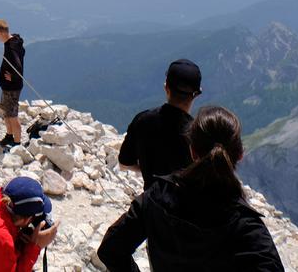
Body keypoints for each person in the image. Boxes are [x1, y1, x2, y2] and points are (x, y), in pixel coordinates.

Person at [97, 105, 283, 271]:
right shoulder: (247, 227)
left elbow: (110, 249)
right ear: (240, 155)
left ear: (192, 151)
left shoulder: (156, 195)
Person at [117, 59, 201, 188]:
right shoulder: (199, 133)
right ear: (196, 94)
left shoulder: (142, 120)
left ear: (166, 87)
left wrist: (148, 170)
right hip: (187, 207)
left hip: (151, 204)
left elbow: (124, 163)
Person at [0, 18, 25, 148]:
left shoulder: (11, 47)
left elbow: (17, 65)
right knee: (6, 111)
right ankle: (9, 136)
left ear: (1, 32)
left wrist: (13, 77)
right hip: (7, 85)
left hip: (12, 87)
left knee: (12, 114)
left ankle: (17, 143)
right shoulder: (14, 42)